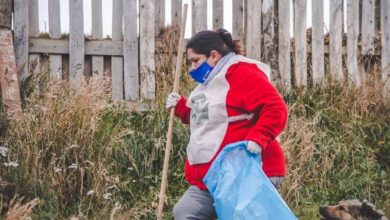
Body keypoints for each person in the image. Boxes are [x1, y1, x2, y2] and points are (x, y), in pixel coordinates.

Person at [165, 28, 288, 220]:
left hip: (249, 171)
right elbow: (207, 118)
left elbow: (275, 108)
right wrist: (181, 107)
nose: (192, 68)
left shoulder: (243, 73)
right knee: (186, 212)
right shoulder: (210, 83)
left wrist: (258, 138)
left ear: (213, 56)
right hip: (214, 177)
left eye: (195, 60)